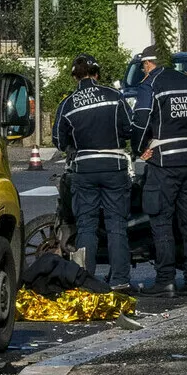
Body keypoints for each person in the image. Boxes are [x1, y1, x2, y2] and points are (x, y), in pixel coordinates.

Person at [132, 44, 187, 298]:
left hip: (164, 164)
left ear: (148, 64)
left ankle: (166, 280)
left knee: (161, 222)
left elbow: (141, 120)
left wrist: (137, 148)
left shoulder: (151, 85)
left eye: (143, 67)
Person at [53, 54, 137, 290]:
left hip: (84, 169)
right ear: (97, 74)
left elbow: (59, 141)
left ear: (74, 77)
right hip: (114, 167)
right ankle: (120, 279)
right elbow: (129, 128)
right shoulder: (114, 96)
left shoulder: (67, 104)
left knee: (86, 225)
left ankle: (86, 279)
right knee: (116, 224)